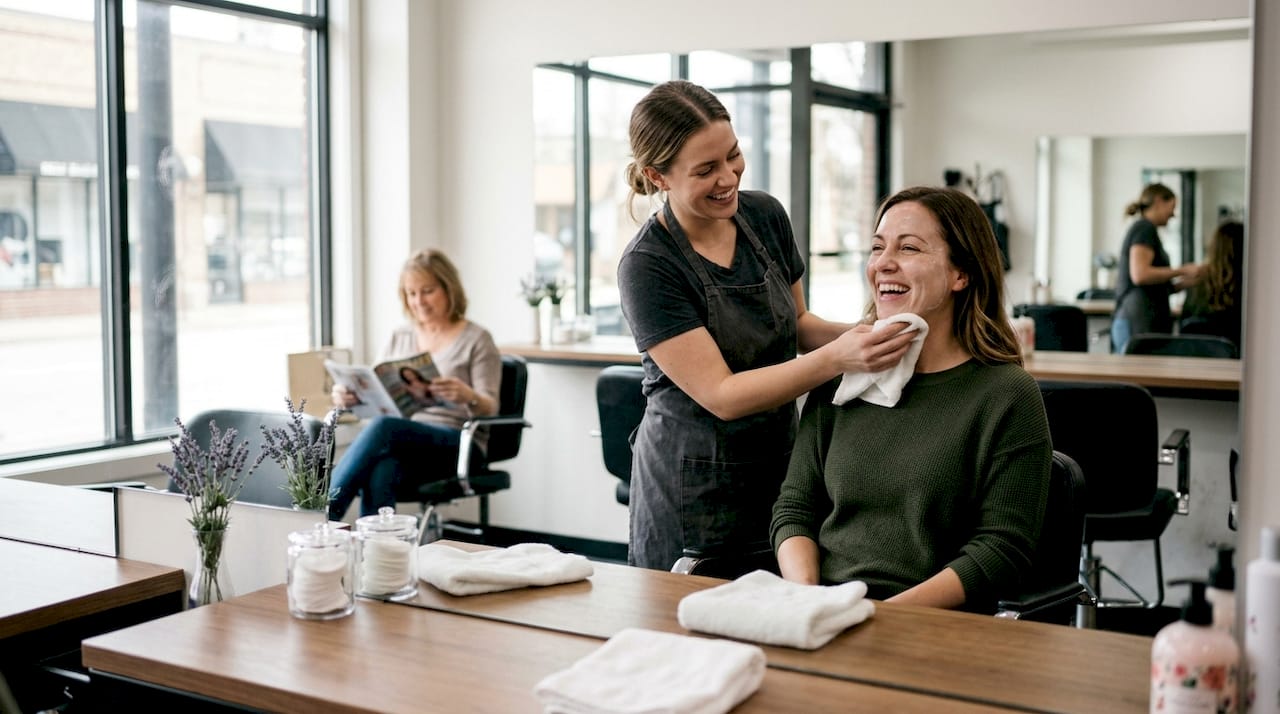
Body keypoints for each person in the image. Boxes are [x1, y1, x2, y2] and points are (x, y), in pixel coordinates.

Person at [617, 80, 917, 571]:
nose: (728, 177)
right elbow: (723, 394)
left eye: (733, 155)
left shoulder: (764, 216)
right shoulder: (649, 265)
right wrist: (837, 359)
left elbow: (798, 324)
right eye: (706, 170)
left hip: (779, 464)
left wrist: (882, 336)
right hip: (693, 486)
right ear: (658, 176)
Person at [770, 186, 1052, 612]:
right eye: (878, 247)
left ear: (962, 274)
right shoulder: (843, 378)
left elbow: (1001, 550)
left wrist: (882, 617)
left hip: (929, 626)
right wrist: (810, 604)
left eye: (909, 248)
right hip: (824, 610)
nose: (883, 263)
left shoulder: (1007, 395)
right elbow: (794, 510)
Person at [327, 249, 501, 522]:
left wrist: (468, 395)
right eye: (411, 293)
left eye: (428, 291)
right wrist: (348, 395)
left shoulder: (477, 339)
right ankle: (378, 555)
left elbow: (491, 406)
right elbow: (375, 384)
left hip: (459, 442)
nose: (419, 301)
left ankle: (324, 511)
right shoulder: (401, 335)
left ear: (449, 288)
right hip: (405, 438)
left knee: (384, 428)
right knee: (383, 467)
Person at [1111, 183, 1202, 353]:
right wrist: (1182, 270)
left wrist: (1188, 281)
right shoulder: (1144, 229)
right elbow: (1140, 275)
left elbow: (1155, 285)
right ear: (1159, 201)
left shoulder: (1147, 230)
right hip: (1136, 321)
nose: (1173, 214)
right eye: (1172, 207)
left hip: (1143, 320)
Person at [1180, 220, 1244, 348]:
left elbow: (1186, 317)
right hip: (1233, 360)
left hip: (1195, 355)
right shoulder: (1247, 284)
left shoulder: (1198, 281)